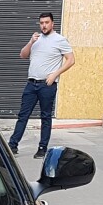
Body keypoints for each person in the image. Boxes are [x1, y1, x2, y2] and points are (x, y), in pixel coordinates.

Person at [8, 12, 74, 158]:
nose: (44, 25)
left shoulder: (60, 40)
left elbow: (70, 60)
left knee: (45, 117)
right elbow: (23, 55)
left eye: (46, 22)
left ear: (52, 24)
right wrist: (31, 42)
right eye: (41, 23)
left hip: (47, 85)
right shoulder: (36, 39)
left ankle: (42, 148)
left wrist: (55, 74)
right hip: (31, 83)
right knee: (23, 115)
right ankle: (13, 145)